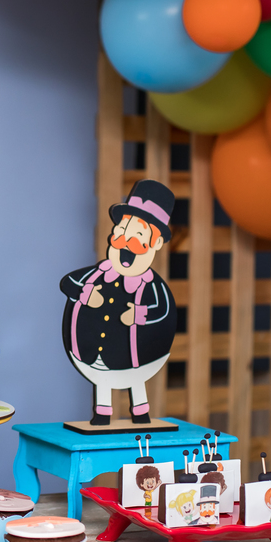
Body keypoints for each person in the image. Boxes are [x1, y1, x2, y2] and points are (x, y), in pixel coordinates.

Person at [60, 180, 177, 425]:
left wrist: (139, 315)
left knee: (136, 379)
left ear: (155, 243)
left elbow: (164, 309)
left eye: (138, 235)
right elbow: (67, 282)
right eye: (122, 231)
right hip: (94, 353)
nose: (125, 241)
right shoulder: (97, 274)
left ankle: (140, 413)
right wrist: (85, 294)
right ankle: (102, 414)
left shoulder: (151, 285)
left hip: (134, 356)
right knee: (102, 380)